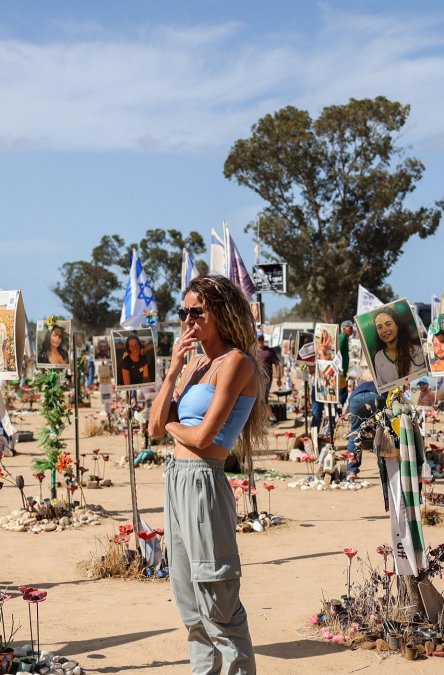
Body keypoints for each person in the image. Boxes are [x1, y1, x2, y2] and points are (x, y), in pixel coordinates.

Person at [148, 274, 267, 675]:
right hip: (176, 479)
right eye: (183, 312)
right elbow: (152, 426)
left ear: (219, 311)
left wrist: (171, 427)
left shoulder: (237, 362)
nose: (188, 320)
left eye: (196, 311)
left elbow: (203, 436)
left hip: (204, 479)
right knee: (191, 608)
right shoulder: (195, 364)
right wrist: (171, 373)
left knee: (219, 604)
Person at [370, 305, 427, 387]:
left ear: (397, 325)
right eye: (380, 327)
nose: (385, 330)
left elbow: (424, 380)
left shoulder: (417, 351)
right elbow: (382, 387)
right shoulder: (378, 357)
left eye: (388, 324)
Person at [255, 331, 280, 400]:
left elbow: (277, 364)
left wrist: (279, 377)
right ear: (256, 340)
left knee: (264, 399)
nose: (260, 341)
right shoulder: (253, 351)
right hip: (255, 379)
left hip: (266, 380)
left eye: (262, 339)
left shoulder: (269, 351)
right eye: (259, 339)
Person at [337, 320, 354, 405]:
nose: (351, 329)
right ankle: (338, 413)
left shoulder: (345, 338)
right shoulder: (342, 337)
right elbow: (337, 352)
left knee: (343, 393)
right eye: (349, 327)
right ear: (344, 328)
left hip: (343, 371)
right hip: (341, 372)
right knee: (342, 394)